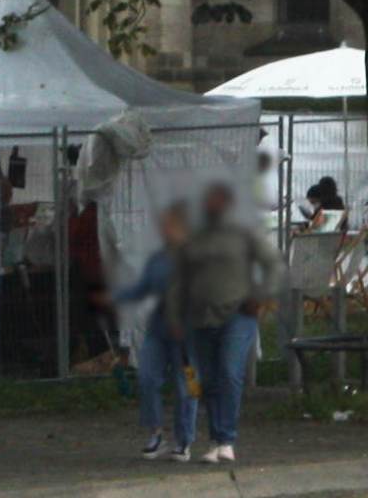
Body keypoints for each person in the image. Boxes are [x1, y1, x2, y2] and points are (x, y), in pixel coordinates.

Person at [168, 182, 284, 465]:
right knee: (208, 380)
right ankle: (215, 439)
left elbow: (274, 264)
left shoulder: (245, 234)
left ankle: (227, 439)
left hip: (238, 314)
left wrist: (261, 296)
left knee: (230, 373)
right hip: (201, 316)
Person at [112, 202, 197, 462]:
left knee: (187, 386)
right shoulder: (158, 259)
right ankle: (156, 433)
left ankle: (184, 440)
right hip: (159, 328)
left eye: (171, 225)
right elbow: (143, 288)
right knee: (147, 377)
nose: (165, 230)